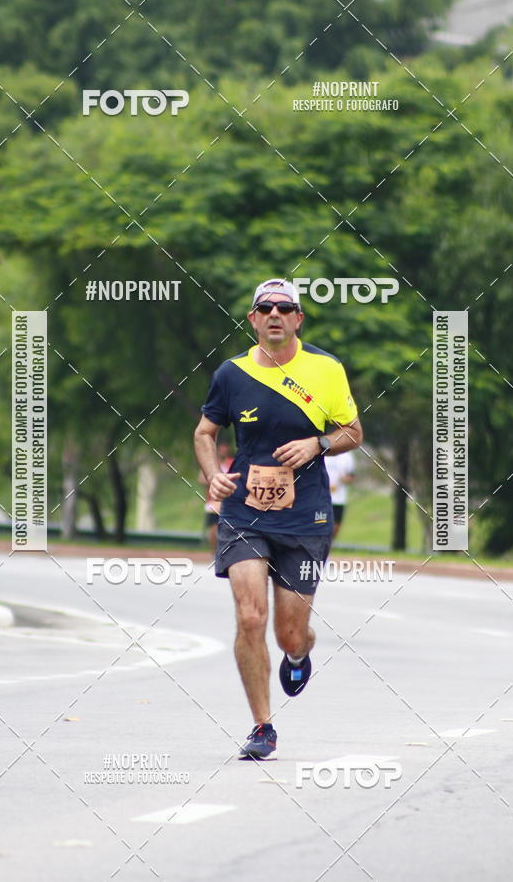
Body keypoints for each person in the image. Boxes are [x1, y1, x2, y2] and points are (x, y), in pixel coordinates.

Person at [194, 279, 363, 760]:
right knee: (250, 616)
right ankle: (262, 726)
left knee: (289, 631)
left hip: (305, 516)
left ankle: (299, 652)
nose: (274, 315)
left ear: (298, 319)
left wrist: (319, 443)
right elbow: (205, 433)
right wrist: (213, 475)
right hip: (244, 512)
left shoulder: (326, 370)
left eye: (285, 308)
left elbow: (353, 430)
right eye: (264, 308)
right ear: (252, 320)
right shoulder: (232, 373)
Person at [198, 440, 234, 551]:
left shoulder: (231, 463)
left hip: (230, 502)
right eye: (221, 448)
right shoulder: (211, 463)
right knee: (214, 529)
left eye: (225, 448)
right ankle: (215, 554)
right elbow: (201, 479)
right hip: (213, 502)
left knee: (229, 529)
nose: (223, 451)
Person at [324, 451, 356, 540]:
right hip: (322, 497)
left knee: (336, 525)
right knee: (320, 523)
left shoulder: (347, 456)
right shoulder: (323, 454)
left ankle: (330, 545)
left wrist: (345, 479)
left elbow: (351, 476)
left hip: (339, 498)